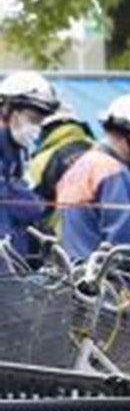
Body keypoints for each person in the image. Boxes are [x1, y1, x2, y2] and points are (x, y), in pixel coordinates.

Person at [55, 93, 130, 266]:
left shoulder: (81, 166)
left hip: (75, 276)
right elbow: (124, 243)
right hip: (105, 282)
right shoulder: (113, 173)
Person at [0, 72, 61, 266]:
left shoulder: (16, 150)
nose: (36, 127)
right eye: (32, 118)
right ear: (8, 109)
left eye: (40, 122)